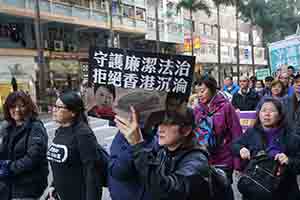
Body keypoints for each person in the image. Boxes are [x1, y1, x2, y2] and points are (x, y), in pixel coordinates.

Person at [114, 107, 211, 200]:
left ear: (186, 130)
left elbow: (165, 192)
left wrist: (138, 144)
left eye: (168, 124)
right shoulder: (163, 151)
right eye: (159, 123)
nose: (160, 129)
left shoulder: (197, 161)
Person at [232, 98, 300, 200]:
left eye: (272, 111)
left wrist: (288, 161)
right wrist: (241, 149)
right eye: (263, 110)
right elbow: (234, 145)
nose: (267, 114)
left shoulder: (291, 137)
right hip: (255, 188)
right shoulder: (252, 132)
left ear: (280, 115)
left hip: (284, 191)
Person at [194, 75, 242, 200]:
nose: (199, 94)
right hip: (203, 159)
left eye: (202, 91)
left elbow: (236, 135)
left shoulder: (226, 107)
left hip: (223, 159)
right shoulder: (197, 109)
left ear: (213, 89)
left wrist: (237, 164)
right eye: (197, 92)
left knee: (223, 191)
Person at [47, 91, 102, 200]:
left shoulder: (83, 134)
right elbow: (60, 164)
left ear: (73, 112)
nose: (54, 110)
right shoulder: (60, 130)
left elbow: (91, 171)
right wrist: (53, 186)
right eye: (54, 106)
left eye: (59, 107)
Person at [0, 91, 48, 200]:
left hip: (28, 187)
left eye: (21, 106)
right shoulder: (7, 127)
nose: (17, 110)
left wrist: (9, 167)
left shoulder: (35, 127)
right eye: (13, 106)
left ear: (28, 107)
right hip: (7, 187)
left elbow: (33, 157)